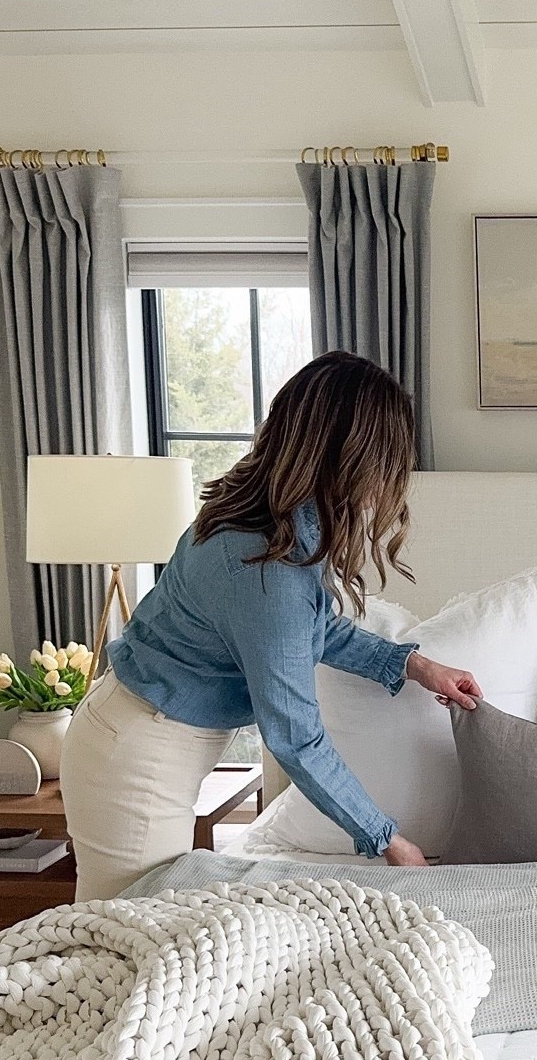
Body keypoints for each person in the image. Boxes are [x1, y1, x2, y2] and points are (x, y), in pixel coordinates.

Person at [61, 352, 480, 900]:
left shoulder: (264, 518)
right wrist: (388, 840)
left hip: (133, 734)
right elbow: (296, 737)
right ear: (352, 459)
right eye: (388, 461)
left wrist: (415, 665)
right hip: (138, 758)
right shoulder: (267, 565)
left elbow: (310, 630)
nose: (389, 482)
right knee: (117, 940)